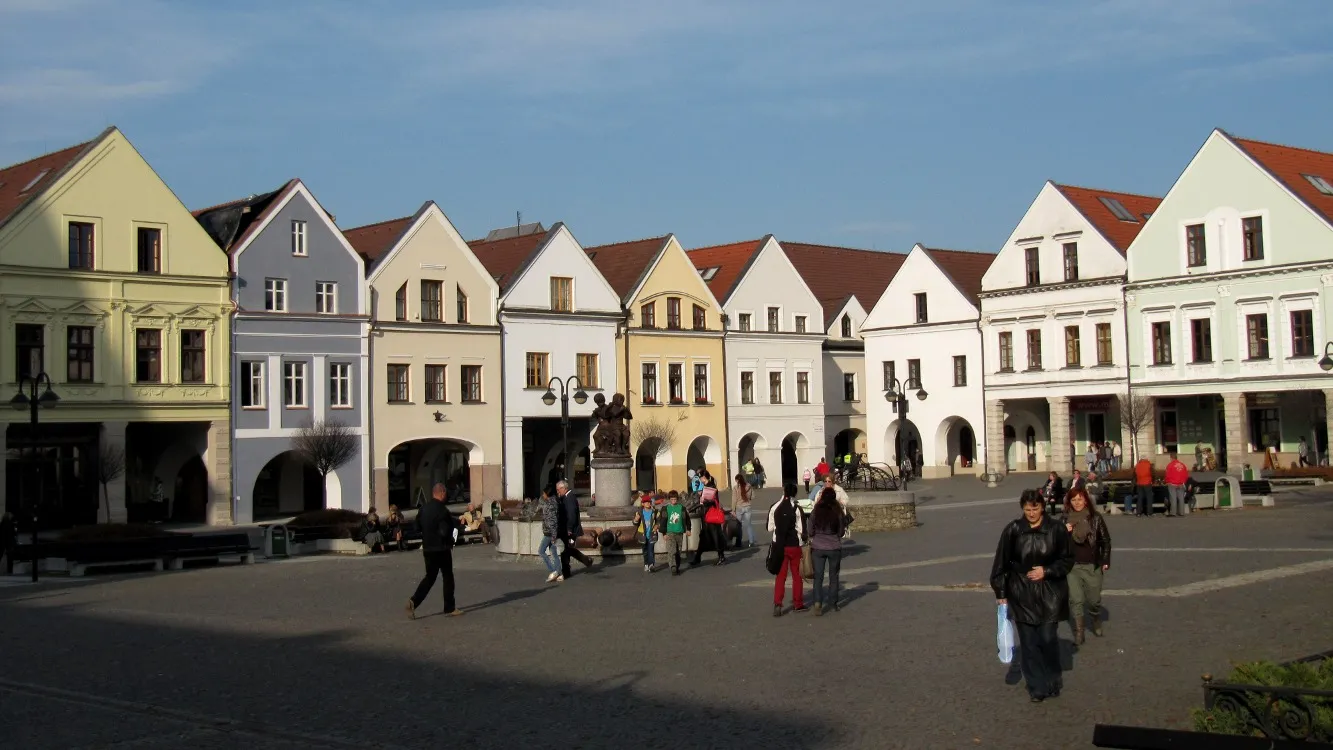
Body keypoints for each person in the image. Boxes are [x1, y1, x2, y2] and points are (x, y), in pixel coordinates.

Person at [990, 490, 1074, 703]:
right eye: (1027, 509)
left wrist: (1047, 571)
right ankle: (1036, 687)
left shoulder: (1056, 529)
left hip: (1050, 593)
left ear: (1042, 507)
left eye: (1035, 509)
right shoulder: (1013, 530)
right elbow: (1001, 563)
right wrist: (1001, 592)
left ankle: (1053, 678)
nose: (1031, 513)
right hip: (1021, 592)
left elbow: (1067, 560)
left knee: (1047, 638)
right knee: (1028, 642)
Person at [406, 483, 463, 619]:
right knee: (447, 576)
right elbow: (446, 530)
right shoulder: (442, 510)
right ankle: (449, 607)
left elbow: (416, 527)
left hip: (428, 548)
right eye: (445, 493)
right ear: (442, 493)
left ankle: (414, 600)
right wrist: (451, 538)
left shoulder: (423, 509)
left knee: (430, 577)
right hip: (442, 548)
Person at [1063, 488, 1111, 644]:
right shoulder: (1064, 520)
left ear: (1086, 500)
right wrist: (1063, 532)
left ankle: (1095, 616)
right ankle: (1079, 633)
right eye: (1073, 500)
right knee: (1075, 600)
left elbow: (1105, 540)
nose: (1077, 503)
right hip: (1072, 567)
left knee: (1094, 600)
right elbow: (1054, 543)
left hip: (1092, 565)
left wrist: (1105, 560)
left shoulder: (1095, 518)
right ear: (1069, 502)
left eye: (1080, 499)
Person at [768, 483, 806, 617]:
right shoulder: (796, 508)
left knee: (780, 576)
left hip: (779, 546)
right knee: (797, 576)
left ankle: (778, 603)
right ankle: (798, 603)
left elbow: (769, 528)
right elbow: (802, 530)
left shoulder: (774, 507)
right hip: (794, 545)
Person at [809, 487, 846, 616]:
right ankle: (833, 603)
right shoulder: (838, 512)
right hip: (834, 547)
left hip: (818, 547)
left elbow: (810, 531)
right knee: (833, 576)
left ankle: (818, 602)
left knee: (818, 577)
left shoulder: (816, 511)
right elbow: (841, 532)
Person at [557, 480, 595, 578]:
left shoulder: (569, 498)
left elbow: (571, 515)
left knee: (565, 551)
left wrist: (569, 529)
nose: (558, 492)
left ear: (563, 488)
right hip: (568, 528)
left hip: (570, 529)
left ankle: (566, 573)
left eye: (558, 489)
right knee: (568, 549)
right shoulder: (567, 497)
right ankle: (586, 560)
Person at [691, 483, 727, 566]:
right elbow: (699, 505)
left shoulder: (710, 499)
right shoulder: (705, 498)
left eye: (700, 491)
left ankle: (721, 556)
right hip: (706, 523)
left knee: (715, 538)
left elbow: (703, 505)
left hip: (711, 522)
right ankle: (697, 558)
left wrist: (703, 502)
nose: (699, 493)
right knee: (703, 539)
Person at [658, 490, 690, 575]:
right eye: (672, 499)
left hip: (679, 532)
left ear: (677, 499)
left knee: (678, 551)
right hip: (669, 532)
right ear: (669, 499)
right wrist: (664, 533)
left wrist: (688, 529)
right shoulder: (666, 508)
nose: (673, 501)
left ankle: (677, 566)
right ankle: (673, 566)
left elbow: (687, 519)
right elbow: (662, 522)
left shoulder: (681, 508)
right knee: (671, 551)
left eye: (675, 499)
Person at [536, 487, 562, 582]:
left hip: (549, 532)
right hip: (552, 532)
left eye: (544, 493)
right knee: (553, 552)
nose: (543, 495)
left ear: (547, 494)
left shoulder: (549, 504)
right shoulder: (554, 502)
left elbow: (552, 521)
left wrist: (554, 535)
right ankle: (559, 571)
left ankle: (553, 570)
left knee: (541, 551)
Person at [732, 473, 755, 548]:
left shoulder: (735, 488)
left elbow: (734, 500)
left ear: (737, 480)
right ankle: (751, 542)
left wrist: (733, 510)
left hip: (739, 507)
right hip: (748, 506)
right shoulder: (749, 486)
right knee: (749, 525)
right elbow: (753, 496)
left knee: (739, 526)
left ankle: (738, 542)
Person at [638, 493, 658, 573]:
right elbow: (635, 523)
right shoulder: (639, 512)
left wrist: (657, 525)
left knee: (651, 550)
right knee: (645, 551)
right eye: (646, 502)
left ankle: (651, 565)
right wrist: (636, 519)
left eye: (649, 502)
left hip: (651, 534)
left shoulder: (654, 512)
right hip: (642, 534)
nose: (648, 503)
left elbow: (659, 520)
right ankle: (646, 564)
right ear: (643, 504)